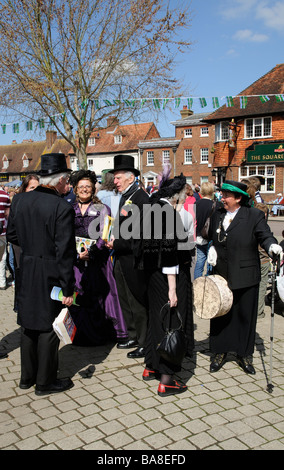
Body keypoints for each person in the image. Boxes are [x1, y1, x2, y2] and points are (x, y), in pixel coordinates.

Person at [7, 153, 76, 395]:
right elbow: (65, 252)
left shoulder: (20, 201)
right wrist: (69, 288)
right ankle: (45, 381)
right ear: (59, 180)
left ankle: (27, 377)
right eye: (66, 181)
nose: (67, 185)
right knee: (48, 325)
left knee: (28, 322)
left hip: (26, 267)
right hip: (50, 270)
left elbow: (12, 235)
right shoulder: (61, 207)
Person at [207, 180, 281, 375]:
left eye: (226, 196)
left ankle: (244, 354)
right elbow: (212, 236)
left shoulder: (254, 215)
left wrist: (272, 246)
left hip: (246, 274)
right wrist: (212, 247)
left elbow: (265, 235)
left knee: (245, 316)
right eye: (222, 194)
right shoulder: (218, 214)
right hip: (222, 274)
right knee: (221, 315)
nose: (222, 198)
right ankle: (219, 352)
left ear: (239, 198)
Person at [137, 172, 195, 397]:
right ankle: (167, 379)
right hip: (169, 276)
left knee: (156, 319)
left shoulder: (151, 206)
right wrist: (172, 288)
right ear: (178, 195)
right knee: (171, 322)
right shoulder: (167, 212)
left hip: (152, 276)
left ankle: (151, 366)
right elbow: (169, 254)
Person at [68, 169, 128, 345]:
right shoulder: (69, 210)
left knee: (102, 296)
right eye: (81, 187)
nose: (85, 189)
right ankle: (81, 336)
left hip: (98, 261)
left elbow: (105, 234)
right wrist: (77, 254)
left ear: (93, 189)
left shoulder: (103, 209)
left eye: (88, 186)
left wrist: (92, 252)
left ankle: (103, 336)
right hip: (77, 262)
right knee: (81, 296)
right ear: (75, 189)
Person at [106, 154, 149, 359]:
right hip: (121, 258)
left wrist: (117, 242)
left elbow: (140, 237)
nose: (115, 181)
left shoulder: (141, 199)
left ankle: (144, 341)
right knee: (124, 298)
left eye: (118, 177)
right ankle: (132, 335)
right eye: (114, 177)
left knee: (137, 301)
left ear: (131, 178)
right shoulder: (126, 196)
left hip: (134, 259)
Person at [194, 182, 215, 279]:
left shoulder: (195, 203)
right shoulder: (215, 205)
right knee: (211, 261)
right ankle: (209, 282)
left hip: (198, 236)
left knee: (199, 262)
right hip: (210, 236)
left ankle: (196, 283)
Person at [255, 203, 270, 319]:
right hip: (262, 260)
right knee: (261, 286)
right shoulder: (263, 227)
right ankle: (259, 311)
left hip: (255, 260)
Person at [0, 186, 11, 290]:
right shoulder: (5, 195)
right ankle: (2, 281)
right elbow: (8, 214)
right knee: (2, 256)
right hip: (2, 231)